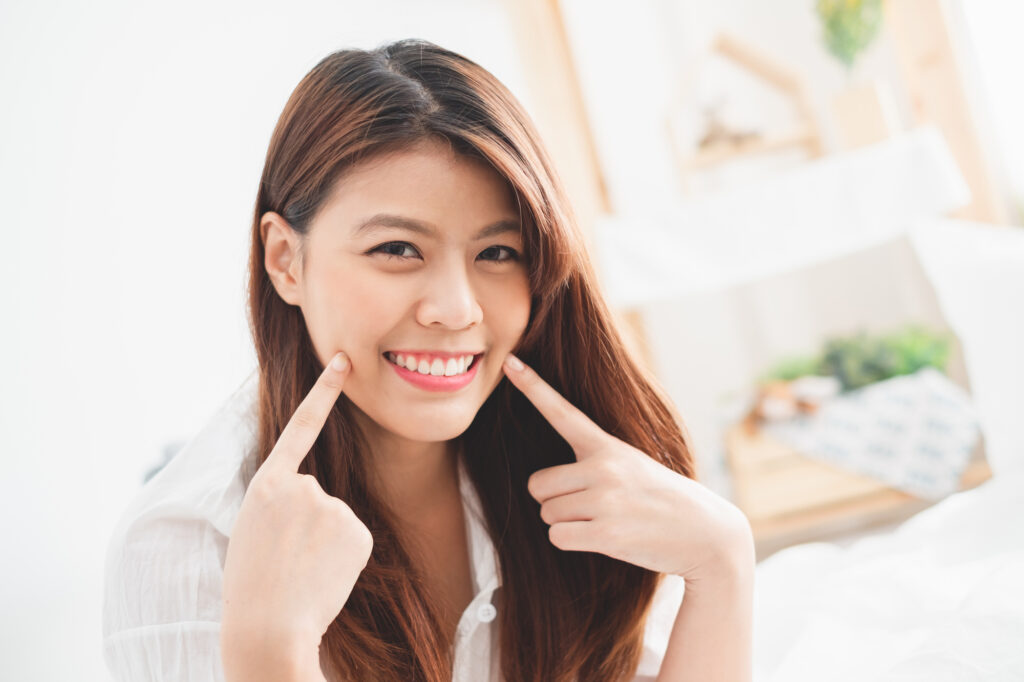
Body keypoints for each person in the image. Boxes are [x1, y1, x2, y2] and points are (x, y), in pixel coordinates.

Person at [102, 38, 755, 682]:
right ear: (284, 260)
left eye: (498, 252)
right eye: (397, 248)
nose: (456, 309)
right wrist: (271, 658)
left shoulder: (582, 481)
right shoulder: (186, 548)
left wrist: (722, 564)